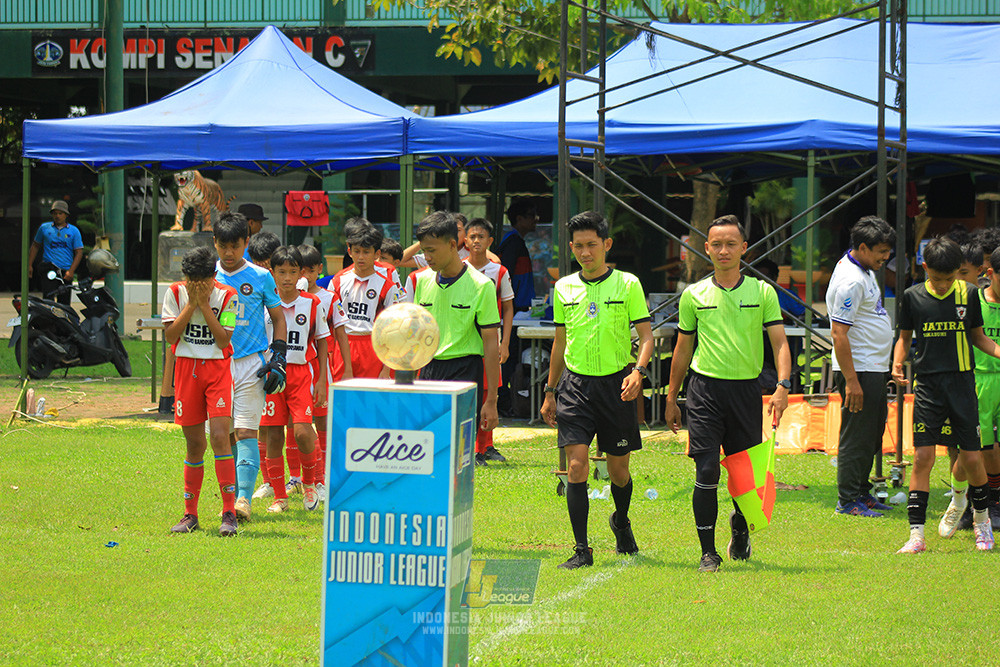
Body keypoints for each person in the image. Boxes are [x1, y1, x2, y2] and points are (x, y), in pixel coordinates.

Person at [664, 215, 791, 573]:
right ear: (706, 249)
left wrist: (782, 386)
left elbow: (780, 344)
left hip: (747, 393)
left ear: (744, 249)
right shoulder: (693, 295)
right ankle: (708, 553)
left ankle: (740, 527)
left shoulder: (763, 292)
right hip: (704, 392)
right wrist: (672, 397)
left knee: (742, 477)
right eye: (716, 244)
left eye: (731, 244)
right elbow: (682, 350)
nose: (723, 251)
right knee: (706, 470)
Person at [539, 211, 653, 570]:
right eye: (578, 246)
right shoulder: (563, 287)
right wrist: (550, 390)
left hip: (617, 385)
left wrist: (638, 372)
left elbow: (647, 337)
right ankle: (582, 549)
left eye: (592, 245)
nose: (585, 253)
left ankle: (621, 521)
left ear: (606, 245)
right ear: (571, 248)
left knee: (619, 472)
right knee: (576, 467)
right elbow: (560, 342)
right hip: (575, 386)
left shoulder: (629, 284)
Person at [893, 237, 1000, 554]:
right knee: (923, 459)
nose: (942, 285)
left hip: (963, 386)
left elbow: (978, 338)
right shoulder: (912, 297)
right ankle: (916, 536)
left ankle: (982, 524)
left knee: (971, 458)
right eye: (937, 278)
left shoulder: (968, 295)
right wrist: (897, 362)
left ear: (959, 273)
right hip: (927, 387)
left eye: (949, 278)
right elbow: (904, 338)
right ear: (925, 268)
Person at [213, 212, 287, 522]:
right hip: (216, 365)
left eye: (235, 246)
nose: (229, 254)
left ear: (246, 242)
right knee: (223, 435)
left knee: (245, 432)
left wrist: (278, 357)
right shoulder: (208, 276)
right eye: (223, 246)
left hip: (251, 365)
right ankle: (230, 497)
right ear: (214, 244)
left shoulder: (260, 276)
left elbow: (279, 318)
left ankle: (243, 501)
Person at [162, 246, 240, 536]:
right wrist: (191, 305)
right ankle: (190, 514)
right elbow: (170, 336)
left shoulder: (229, 296)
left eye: (204, 281)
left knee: (220, 436)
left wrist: (205, 305)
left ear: (213, 276)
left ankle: (229, 512)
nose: (197, 286)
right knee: (194, 444)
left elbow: (223, 340)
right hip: (186, 370)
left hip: (217, 371)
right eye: (192, 280)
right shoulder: (174, 292)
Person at [406, 210, 501, 434]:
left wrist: (492, 400)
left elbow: (490, 343)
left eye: (431, 250)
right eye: (424, 250)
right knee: (428, 440)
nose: (426, 257)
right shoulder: (421, 280)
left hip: (465, 371)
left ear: (451, 245)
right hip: (429, 368)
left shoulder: (481, 285)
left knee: (457, 446)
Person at [826, 216, 896, 518]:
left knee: (872, 432)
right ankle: (848, 500)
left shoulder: (863, 270)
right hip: (860, 369)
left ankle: (862, 491)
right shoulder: (851, 280)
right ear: (863, 247)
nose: (886, 257)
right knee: (857, 435)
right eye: (881, 251)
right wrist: (853, 381)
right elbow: (838, 333)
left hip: (873, 367)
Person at [259, 246, 329, 513]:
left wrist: (321, 379)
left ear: (301, 273)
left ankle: (310, 483)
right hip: (273, 376)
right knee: (274, 434)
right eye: (281, 272)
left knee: (302, 431)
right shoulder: (264, 303)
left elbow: (322, 340)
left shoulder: (312, 303)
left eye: (292, 272)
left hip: (301, 376)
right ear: (272, 273)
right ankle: (280, 498)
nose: (287, 277)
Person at [938, 240, 1000, 534]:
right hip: (976, 381)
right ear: (990, 273)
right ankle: (962, 502)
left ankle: (992, 505)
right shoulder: (973, 301)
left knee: (992, 450)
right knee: (970, 451)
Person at [299, 243, 352, 500]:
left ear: (319, 270)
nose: (304, 276)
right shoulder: (284, 297)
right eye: (300, 270)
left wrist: (348, 369)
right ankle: (297, 478)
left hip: (321, 370)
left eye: (310, 270)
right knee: (296, 426)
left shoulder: (329, 298)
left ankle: (324, 478)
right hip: (295, 371)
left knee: (322, 424)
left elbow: (341, 334)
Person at [465, 217, 515, 465]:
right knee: (470, 392)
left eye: (481, 236)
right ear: (464, 240)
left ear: (490, 241)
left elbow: (508, 308)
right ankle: (471, 447)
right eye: (472, 236)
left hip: (491, 341)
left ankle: (486, 446)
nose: (476, 240)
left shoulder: (499, 271)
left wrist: (504, 342)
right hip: (465, 342)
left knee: (489, 390)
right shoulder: (457, 269)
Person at [329, 218, 401, 379]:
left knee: (372, 401)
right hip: (343, 345)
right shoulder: (337, 281)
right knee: (343, 400)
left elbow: (393, 330)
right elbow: (329, 323)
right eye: (357, 251)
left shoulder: (388, 286)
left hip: (374, 348)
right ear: (349, 252)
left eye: (366, 252)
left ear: (377, 254)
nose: (361, 257)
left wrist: (386, 369)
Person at [498, 199, 538, 415]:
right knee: (509, 359)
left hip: (518, 311)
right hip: (513, 313)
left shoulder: (515, 241)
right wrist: (510, 307)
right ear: (520, 219)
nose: (536, 219)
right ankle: (505, 403)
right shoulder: (512, 242)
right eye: (531, 215)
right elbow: (507, 276)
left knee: (512, 358)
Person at [28, 200, 84, 305]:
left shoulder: (73, 231)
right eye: (55, 213)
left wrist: (71, 271)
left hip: (65, 270)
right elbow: (35, 246)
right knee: (48, 300)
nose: (57, 216)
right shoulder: (44, 228)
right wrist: (29, 265)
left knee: (64, 302)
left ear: (66, 215)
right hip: (49, 269)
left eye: (60, 213)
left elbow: (79, 252)